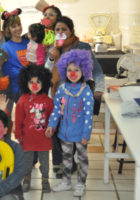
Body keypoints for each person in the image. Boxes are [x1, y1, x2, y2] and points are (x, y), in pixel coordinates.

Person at [45, 16, 105, 177]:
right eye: (57, 30)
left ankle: (70, 162)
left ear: (71, 30)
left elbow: (97, 70)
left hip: (77, 97)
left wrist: (99, 89)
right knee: (57, 132)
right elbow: (46, 72)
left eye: (64, 29)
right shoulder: (52, 47)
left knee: (72, 131)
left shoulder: (83, 47)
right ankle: (59, 164)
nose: (60, 32)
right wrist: (51, 57)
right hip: (56, 96)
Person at [45, 49, 94, 197]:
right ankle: (66, 182)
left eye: (77, 70)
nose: (72, 73)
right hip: (64, 132)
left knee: (82, 159)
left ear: (83, 70)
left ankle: (81, 183)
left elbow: (88, 115)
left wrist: (86, 134)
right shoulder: (62, 89)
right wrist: (51, 125)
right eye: (69, 70)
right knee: (66, 159)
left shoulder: (86, 91)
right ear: (64, 71)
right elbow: (56, 110)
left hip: (80, 134)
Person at [15, 64, 53, 193]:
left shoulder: (48, 101)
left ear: (45, 82)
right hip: (27, 138)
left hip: (44, 138)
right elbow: (18, 118)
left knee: (45, 162)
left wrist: (52, 129)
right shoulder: (22, 100)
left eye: (38, 81)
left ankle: (45, 180)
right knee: (27, 161)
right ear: (26, 83)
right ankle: (26, 179)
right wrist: (18, 133)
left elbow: (52, 119)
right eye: (31, 82)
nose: (35, 85)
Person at [1, 8, 29, 102]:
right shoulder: (5, 47)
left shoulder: (29, 42)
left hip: (34, 88)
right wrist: (28, 72)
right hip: (18, 90)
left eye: (19, 25)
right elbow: (8, 71)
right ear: (8, 29)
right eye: (13, 26)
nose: (18, 28)